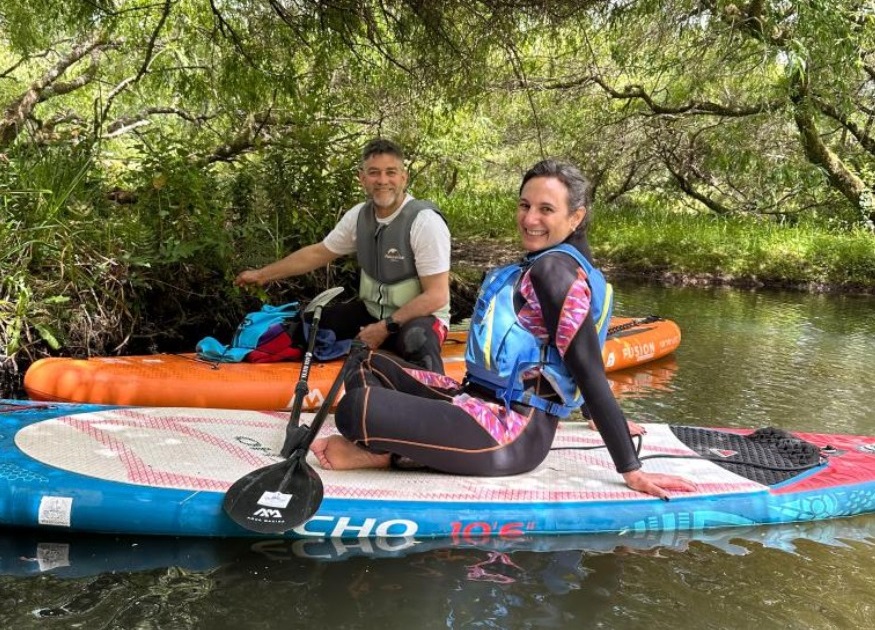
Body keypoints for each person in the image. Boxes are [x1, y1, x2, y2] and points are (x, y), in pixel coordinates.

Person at [311, 159, 696, 500]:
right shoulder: (550, 262)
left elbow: (587, 369)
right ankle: (394, 444)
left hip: (510, 432)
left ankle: (386, 453)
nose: (530, 219)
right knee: (366, 363)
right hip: (472, 399)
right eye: (525, 205)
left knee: (356, 409)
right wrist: (594, 416)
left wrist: (630, 468)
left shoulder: (554, 273)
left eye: (546, 209)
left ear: (576, 217)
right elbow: (562, 353)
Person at [234, 139, 451, 372]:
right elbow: (317, 253)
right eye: (374, 173)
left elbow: (436, 296)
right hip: (371, 313)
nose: (382, 180)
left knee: (417, 339)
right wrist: (262, 275)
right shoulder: (358, 217)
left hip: (418, 319)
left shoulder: (425, 222)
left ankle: (434, 391)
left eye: (391, 172)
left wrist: (383, 328)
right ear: (362, 178)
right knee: (309, 326)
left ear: (404, 177)